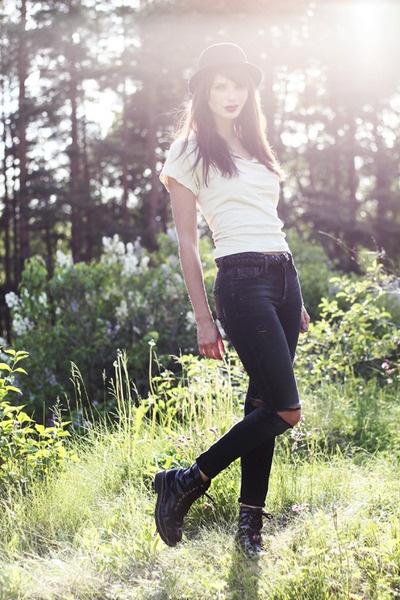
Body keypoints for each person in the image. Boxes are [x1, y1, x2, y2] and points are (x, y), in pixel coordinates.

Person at [153, 42, 311, 558]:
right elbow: (185, 241)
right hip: (241, 281)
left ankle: (249, 529)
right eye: (219, 85)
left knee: (261, 405)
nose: (231, 94)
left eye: (238, 84)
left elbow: (274, 224)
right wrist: (203, 317)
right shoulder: (190, 150)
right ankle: (186, 479)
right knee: (286, 410)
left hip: (283, 276)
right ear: (203, 90)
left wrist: (297, 296)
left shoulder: (256, 146)